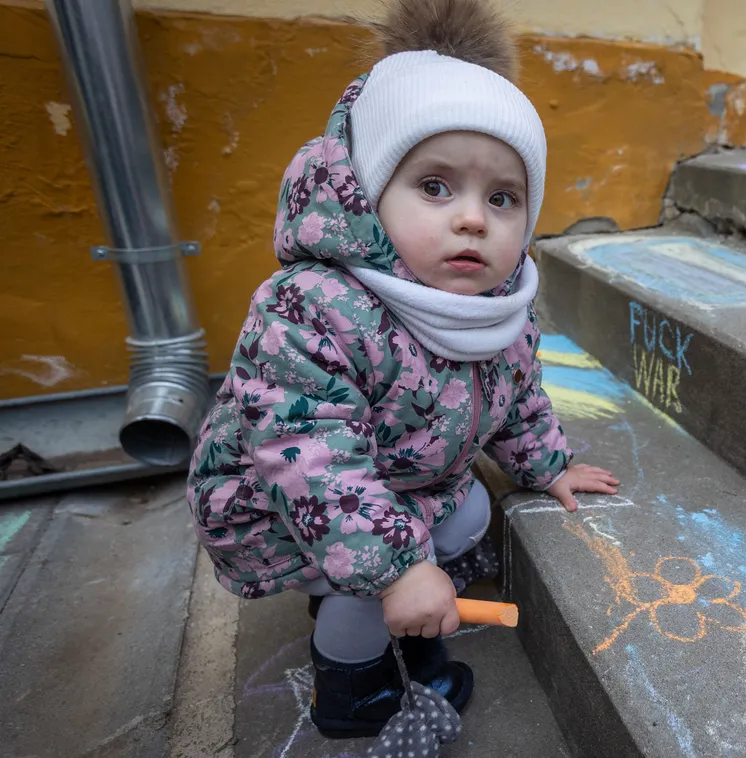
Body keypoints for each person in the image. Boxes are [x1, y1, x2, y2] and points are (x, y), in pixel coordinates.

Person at [185, 0, 619, 738]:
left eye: (502, 197)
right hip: (281, 502)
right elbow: (312, 459)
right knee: (373, 585)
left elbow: (513, 396)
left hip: (399, 483)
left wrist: (545, 464)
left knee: (474, 514)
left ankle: (383, 598)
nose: (473, 219)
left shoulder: (494, 305)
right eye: (436, 187)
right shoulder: (311, 306)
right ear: (365, 194)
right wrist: (394, 569)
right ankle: (353, 692)